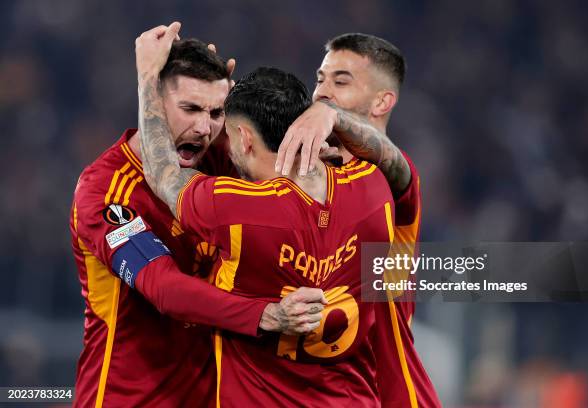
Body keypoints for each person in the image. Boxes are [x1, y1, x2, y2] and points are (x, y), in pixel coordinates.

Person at [136, 22, 395, 406]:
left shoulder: (237, 209)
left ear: (243, 139)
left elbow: (161, 171)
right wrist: (332, 117)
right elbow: (393, 161)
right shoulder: (373, 188)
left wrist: (147, 78)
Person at [70, 30, 324, 407]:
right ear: (152, 102)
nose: (204, 128)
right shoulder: (106, 190)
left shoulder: (219, 161)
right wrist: (266, 315)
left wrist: (323, 112)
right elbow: (165, 289)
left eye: (216, 112)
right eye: (190, 109)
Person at [275, 33, 441, 407]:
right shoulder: (305, 180)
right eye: (320, 80)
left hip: (390, 394)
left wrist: (333, 115)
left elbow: (393, 162)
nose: (322, 92)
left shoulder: (393, 182)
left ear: (383, 101)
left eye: (341, 81)